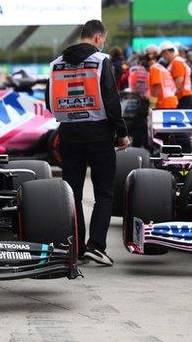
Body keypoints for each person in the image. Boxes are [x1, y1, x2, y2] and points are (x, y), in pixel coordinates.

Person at [45, 19, 129, 266]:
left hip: (68, 134)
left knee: (73, 193)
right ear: (98, 37)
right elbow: (111, 101)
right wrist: (121, 132)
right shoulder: (101, 61)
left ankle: (77, 246)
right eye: (103, 39)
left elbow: (50, 103)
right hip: (99, 134)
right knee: (104, 192)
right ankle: (97, 246)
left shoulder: (56, 64)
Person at [150, 41, 178, 110]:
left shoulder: (154, 68)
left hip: (163, 103)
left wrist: (152, 104)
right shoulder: (161, 68)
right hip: (171, 101)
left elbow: (157, 86)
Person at [168, 45, 192, 109]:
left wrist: (173, 93)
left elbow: (179, 79)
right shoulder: (180, 61)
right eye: (183, 52)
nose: (185, 54)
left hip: (182, 94)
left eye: (186, 52)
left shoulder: (178, 61)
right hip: (184, 94)